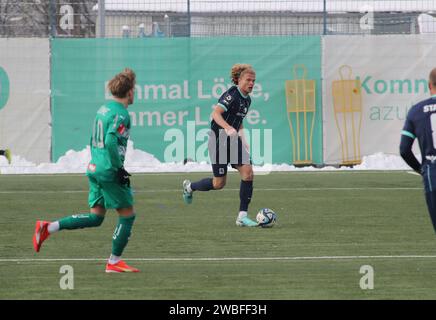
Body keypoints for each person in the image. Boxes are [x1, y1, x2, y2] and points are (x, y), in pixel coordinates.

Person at [33, 68, 139, 273]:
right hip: (108, 170)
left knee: (96, 217)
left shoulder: (104, 109)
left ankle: (48, 228)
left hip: (94, 168)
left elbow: (94, 139)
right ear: (130, 92)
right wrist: (118, 168)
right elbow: (109, 140)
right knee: (127, 215)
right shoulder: (122, 114)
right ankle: (114, 262)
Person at [183, 63, 258, 227]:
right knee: (219, 184)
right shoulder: (231, 95)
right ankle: (190, 187)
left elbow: (239, 121)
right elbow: (215, 113)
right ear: (239, 80)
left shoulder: (247, 100)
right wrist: (228, 128)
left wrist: (243, 139)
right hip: (218, 140)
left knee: (248, 173)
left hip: (233, 139)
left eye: (253, 81)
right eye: (248, 80)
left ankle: (242, 217)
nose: (251, 83)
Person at [400, 67, 436, 233]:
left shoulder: (416, 111)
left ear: (430, 85)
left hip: (432, 174)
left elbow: (404, 150)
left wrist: (421, 169)